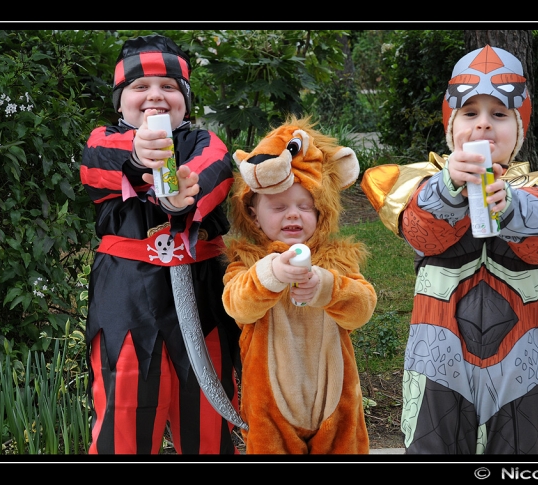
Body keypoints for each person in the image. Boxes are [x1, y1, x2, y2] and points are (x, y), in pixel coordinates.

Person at [361, 45, 538, 454]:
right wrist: (449, 190)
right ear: (452, 125)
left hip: (523, 362)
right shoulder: (423, 184)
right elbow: (421, 232)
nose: (484, 126)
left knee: (522, 450)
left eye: (499, 115)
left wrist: (514, 206)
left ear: (519, 128)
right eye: (470, 113)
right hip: (439, 358)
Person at [80, 34, 241, 454]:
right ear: (120, 102)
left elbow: (215, 173)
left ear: (185, 100)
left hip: (202, 296)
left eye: (169, 86)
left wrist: (181, 193)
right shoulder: (105, 142)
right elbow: (97, 165)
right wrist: (139, 156)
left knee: (207, 420)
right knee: (126, 415)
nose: (155, 96)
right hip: (126, 298)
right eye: (140, 87)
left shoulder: (207, 143)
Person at [222, 116, 377, 454]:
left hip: (336, 404)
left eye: (305, 207)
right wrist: (270, 275)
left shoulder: (337, 261)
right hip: (270, 410)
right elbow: (237, 305)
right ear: (253, 214)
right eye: (278, 207)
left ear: (322, 213)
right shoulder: (246, 263)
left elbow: (362, 308)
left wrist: (326, 286)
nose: (293, 215)